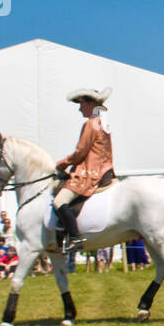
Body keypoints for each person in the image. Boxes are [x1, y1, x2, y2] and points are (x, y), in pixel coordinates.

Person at [53, 86, 115, 254]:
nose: (80, 108)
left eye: (81, 104)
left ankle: (75, 238)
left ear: (90, 104)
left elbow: (81, 152)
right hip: (106, 169)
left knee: (59, 201)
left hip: (90, 172)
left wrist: (63, 163)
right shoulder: (103, 122)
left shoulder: (90, 124)